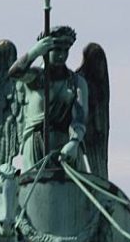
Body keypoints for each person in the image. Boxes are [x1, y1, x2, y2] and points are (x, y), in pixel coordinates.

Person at [8, 26, 88, 170]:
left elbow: (80, 118)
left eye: (66, 50)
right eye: (57, 49)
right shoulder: (35, 78)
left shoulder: (76, 82)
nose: (62, 55)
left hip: (67, 146)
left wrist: (74, 142)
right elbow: (14, 73)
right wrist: (35, 52)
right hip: (36, 144)